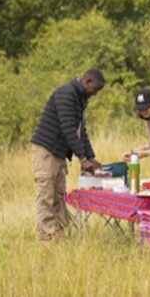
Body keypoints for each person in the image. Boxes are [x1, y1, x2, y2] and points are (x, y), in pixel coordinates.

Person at [30, 69, 105, 241]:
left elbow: (80, 131)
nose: (95, 94)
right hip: (46, 151)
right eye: (95, 90)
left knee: (59, 196)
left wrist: (91, 157)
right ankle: (46, 239)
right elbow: (67, 128)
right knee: (46, 195)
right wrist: (82, 159)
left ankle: (59, 236)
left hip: (59, 153)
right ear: (88, 82)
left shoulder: (80, 99)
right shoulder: (66, 93)